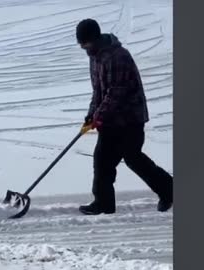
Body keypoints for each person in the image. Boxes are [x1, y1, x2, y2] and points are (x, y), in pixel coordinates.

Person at [76, 19, 173, 215]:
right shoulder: (95, 56)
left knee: (133, 158)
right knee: (102, 159)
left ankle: (169, 189)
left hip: (130, 118)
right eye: (81, 43)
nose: (83, 46)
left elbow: (115, 92)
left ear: (94, 38)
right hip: (111, 120)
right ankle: (103, 203)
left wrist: (99, 116)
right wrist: (90, 115)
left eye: (85, 42)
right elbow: (99, 91)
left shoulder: (117, 56)